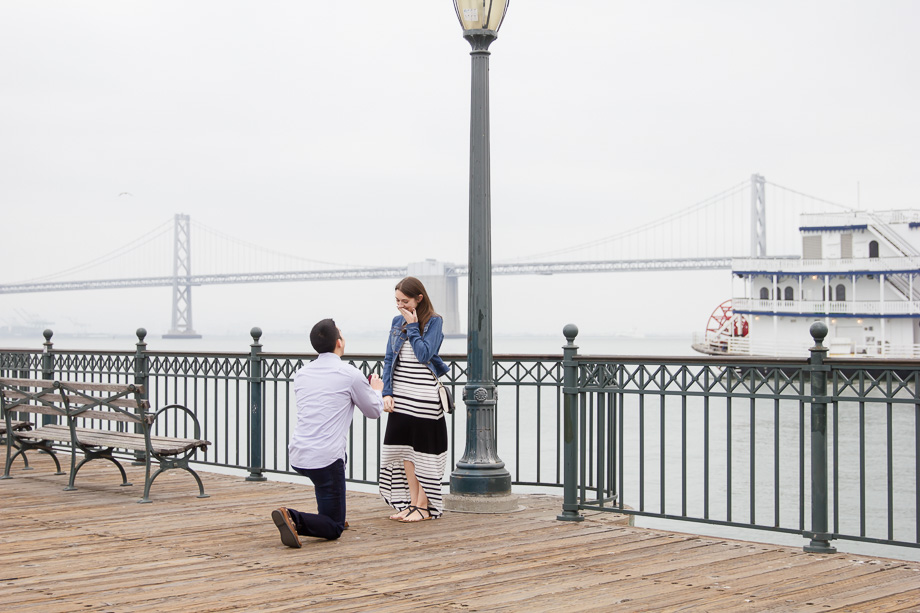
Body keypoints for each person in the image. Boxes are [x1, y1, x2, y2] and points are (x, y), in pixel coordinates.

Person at [271, 318, 384, 547]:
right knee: (334, 527)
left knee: (331, 474)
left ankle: (331, 512)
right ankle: (294, 518)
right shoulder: (350, 374)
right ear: (339, 343)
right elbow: (374, 411)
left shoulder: (302, 373)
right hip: (326, 459)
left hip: (299, 454)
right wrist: (377, 391)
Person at [379, 276, 450, 522]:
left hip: (424, 397)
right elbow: (389, 360)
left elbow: (424, 354)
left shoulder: (434, 322)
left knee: (423, 452)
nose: (400, 306)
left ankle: (424, 506)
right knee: (406, 451)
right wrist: (387, 392)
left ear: (419, 299)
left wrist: (412, 325)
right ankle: (412, 503)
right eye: (397, 301)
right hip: (402, 395)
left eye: (405, 301)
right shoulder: (396, 321)